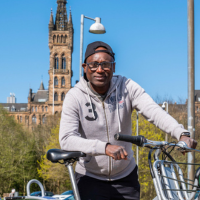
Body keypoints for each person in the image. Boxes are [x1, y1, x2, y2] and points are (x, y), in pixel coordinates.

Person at [59, 41, 197, 200]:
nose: (99, 69)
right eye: (94, 65)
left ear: (113, 67)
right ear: (85, 67)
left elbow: (154, 111)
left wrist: (181, 133)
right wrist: (104, 147)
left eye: (105, 64)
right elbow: (66, 139)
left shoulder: (126, 86)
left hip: (126, 177)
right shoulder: (74, 96)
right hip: (90, 177)